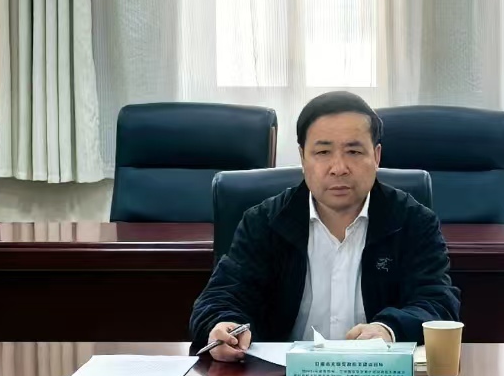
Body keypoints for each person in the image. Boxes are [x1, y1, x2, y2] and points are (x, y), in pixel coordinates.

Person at [191, 91, 459, 359]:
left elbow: (437, 303)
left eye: (354, 151)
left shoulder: (412, 221)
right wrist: (223, 325)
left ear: (376, 156)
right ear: (302, 157)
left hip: (378, 375)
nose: (338, 167)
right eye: (322, 152)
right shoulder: (264, 222)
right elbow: (220, 298)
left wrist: (388, 329)